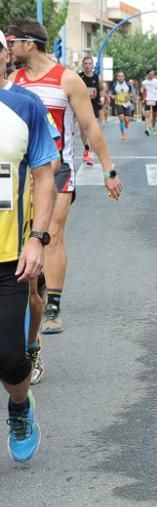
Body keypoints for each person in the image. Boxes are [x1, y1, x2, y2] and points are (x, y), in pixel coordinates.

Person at [7, 19, 124, 336]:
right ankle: (35, 293)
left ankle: (53, 305)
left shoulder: (67, 80)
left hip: (60, 171)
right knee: (27, 238)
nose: (8, 47)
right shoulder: (12, 81)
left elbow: (90, 127)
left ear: (28, 43)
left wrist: (108, 170)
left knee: (52, 234)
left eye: (12, 41)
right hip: (22, 176)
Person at [0, 47, 58, 463]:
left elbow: (43, 175)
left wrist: (37, 238)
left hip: (8, 257)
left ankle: (19, 406)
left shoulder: (24, 106)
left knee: (10, 358)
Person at [78, 55, 101, 166]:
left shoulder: (97, 77)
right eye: (86, 63)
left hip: (94, 107)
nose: (88, 65)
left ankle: (91, 155)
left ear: (92, 65)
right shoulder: (79, 77)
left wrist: (101, 101)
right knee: (83, 132)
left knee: (91, 131)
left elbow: (100, 90)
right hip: (82, 107)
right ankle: (86, 147)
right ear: (83, 65)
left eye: (89, 63)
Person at [111, 71, 132, 141]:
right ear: (117, 77)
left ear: (124, 77)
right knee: (121, 119)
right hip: (118, 103)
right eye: (119, 76)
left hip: (127, 104)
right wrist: (114, 97)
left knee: (126, 120)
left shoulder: (128, 85)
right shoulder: (114, 85)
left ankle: (127, 123)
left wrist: (129, 96)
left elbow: (131, 94)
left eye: (122, 76)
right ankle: (123, 134)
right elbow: (111, 94)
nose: (120, 77)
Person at [141, 69, 157, 136]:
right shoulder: (144, 82)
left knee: (154, 115)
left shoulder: (156, 81)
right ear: (148, 74)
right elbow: (142, 90)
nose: (152, 75)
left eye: (153, 73)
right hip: (148, 99)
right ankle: (147, 129)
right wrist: (142, 96)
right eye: (150, 73)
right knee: (147, 114)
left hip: (154, 99)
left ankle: (153, 128)